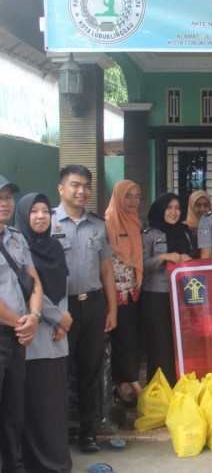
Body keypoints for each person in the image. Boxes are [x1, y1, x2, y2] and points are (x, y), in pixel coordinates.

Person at [51, 164, 117, 454]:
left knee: (90, 372)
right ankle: (55, 434)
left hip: (92, 306)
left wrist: (112, 309)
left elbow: (106, 269)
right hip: (59, 309)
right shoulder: (46, 222)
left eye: (86, 186)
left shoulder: (98, 225)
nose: (82, 191)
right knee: (57, 374)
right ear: (61, 188)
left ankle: (88, 434)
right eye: (75, 185)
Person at [16, 193, 72, 473]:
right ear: (23, 216)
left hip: (58, 335)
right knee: (36, 402)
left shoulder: (54, 247)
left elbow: (61, 285)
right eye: (34, 211)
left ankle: (57, 461)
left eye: (45, 212)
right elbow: (27, 289)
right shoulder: (18, 247)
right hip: (33, 337)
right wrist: (56, 317)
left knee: (55, 403)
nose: (40, 216)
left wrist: (63, 322)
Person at [0, 176, 41, 470]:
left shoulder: (15, 237)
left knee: (14, 407)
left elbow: (34, 280)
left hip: (18, 335)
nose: (4, 203)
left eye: (8, 197)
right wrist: (22, 324)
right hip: (10, 330)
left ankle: (14, 466)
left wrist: (35, 317)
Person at [142, 193, 197, 385]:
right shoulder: (150, 234)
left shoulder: (186, 231)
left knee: (182, 342)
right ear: (160, 210)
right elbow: (141, 265)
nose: (174, 212)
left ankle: (182, 386)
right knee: (160, 343)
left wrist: (190, 260)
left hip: (184, 294)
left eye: (177, 208)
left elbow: (195, 255)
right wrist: (162, 258)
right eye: (169, 208)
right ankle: (160, 390)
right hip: (157, 295)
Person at [105, 180, 143, 406]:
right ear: (118, 196)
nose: (133, 201)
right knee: (121, 341)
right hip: (114, 294)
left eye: (137, 196)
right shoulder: (108, 222)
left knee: (131, 340)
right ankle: (124, 385)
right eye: (128, 196)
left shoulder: (135, 222)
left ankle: (126, 384)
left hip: (133, 292)